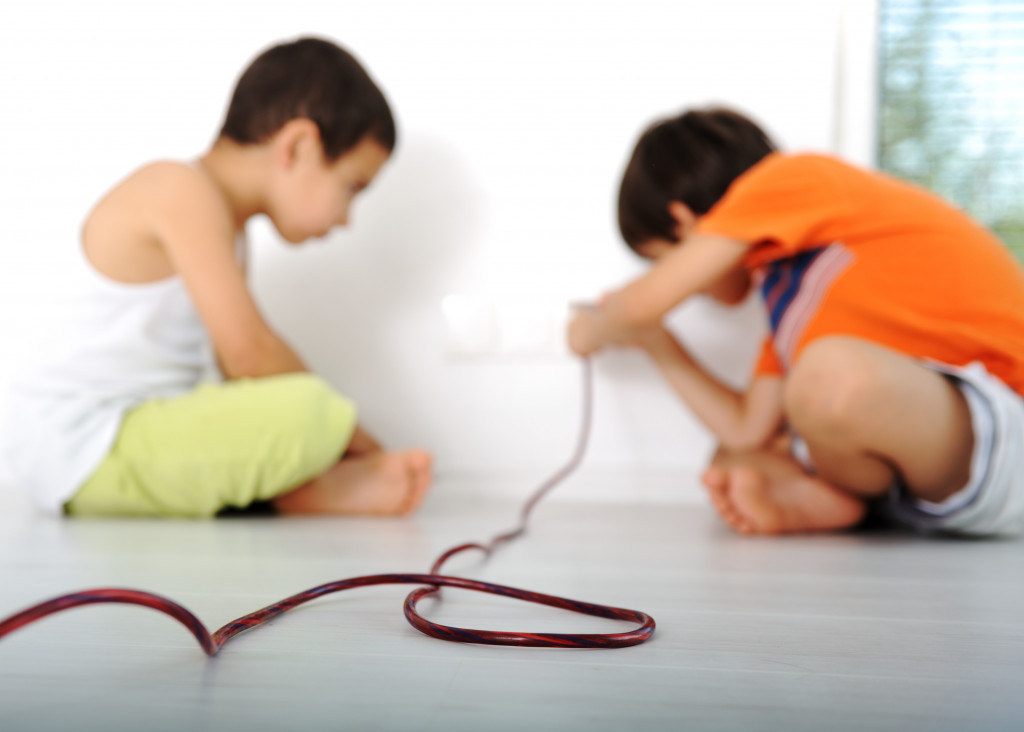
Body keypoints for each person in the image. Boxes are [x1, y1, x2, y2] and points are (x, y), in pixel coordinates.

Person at [1, 37, 432, 518]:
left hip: (138, 434)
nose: (346, 218)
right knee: (308, 410)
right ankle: (296, 493)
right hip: (83, 444)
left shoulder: (231, 228)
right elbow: (249, 353)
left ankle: (289, 485)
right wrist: (354, 438)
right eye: (351, 187)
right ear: (299, 145)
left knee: (281, 412)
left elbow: (236, 373)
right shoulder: (180, 188)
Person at [569, 107, 1024, 536]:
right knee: (737, 454)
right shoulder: (789, 307)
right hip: (950, 480)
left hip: (1005, 420)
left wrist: (595, 328)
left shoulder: (791, 177)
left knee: (826, 376)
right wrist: (657, 343)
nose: (689, 289)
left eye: (661, 262)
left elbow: (638, 305)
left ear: (684, 222)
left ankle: (832, 494)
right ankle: (841, 498)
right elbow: (746, 429)